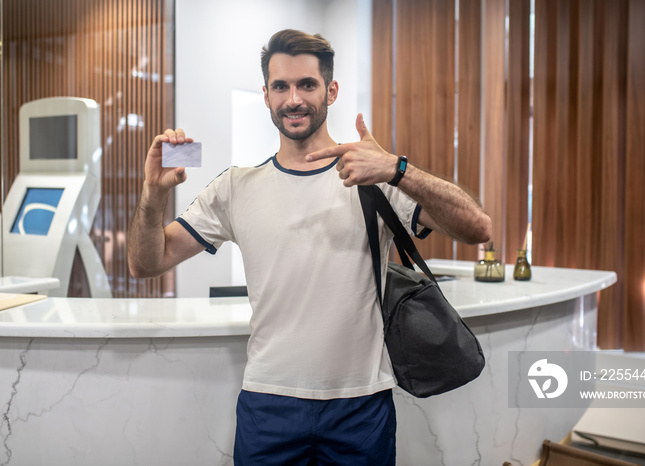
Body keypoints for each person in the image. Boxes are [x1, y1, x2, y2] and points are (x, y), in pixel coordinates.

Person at [128, 29, 491, 465]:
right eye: (280, 86)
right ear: (266, 95)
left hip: (360, 405)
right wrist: (152, 195)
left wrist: (398, 169)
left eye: (307, 84)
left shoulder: (372, 176)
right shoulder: (235, 187)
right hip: (269, 404)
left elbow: (477, 227)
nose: (293, 99)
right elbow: (147, 262)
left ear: (330, 91)